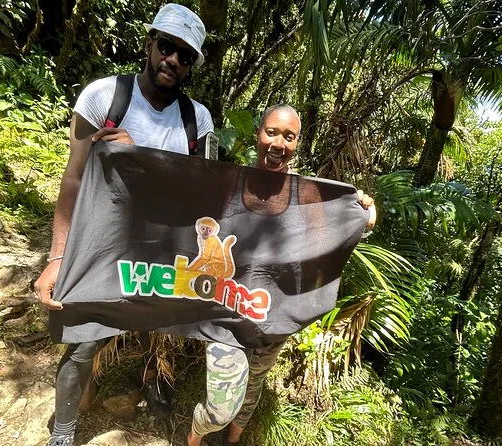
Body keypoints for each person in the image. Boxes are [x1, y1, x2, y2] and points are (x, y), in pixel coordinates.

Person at [33, 4, 213, 446]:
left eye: (185, 55)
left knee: (162, 329)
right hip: (102, 244)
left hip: (162, 249)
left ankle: (154, 383)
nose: (172, 60)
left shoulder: (198, 120)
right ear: (150, 43)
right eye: (166, 46)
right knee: (84, 339)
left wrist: (140, 159)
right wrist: (58, 257)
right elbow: (74, 180)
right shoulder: (104, 97)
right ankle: (64, 431)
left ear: (191, 65)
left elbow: (203, 192)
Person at [186, 104, 376, 446]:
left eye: (289, 136)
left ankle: (234, 439)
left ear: (297, 142)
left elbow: (330, 237)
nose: (278, 143)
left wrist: (360, 212)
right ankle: (195, 434)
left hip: (275, 316)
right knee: (221, 406)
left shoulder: (307, 194)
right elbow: (185, 212)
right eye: (271, 132)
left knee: (254, 382)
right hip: (226, 312)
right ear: (258, 134)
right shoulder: (230, 182)